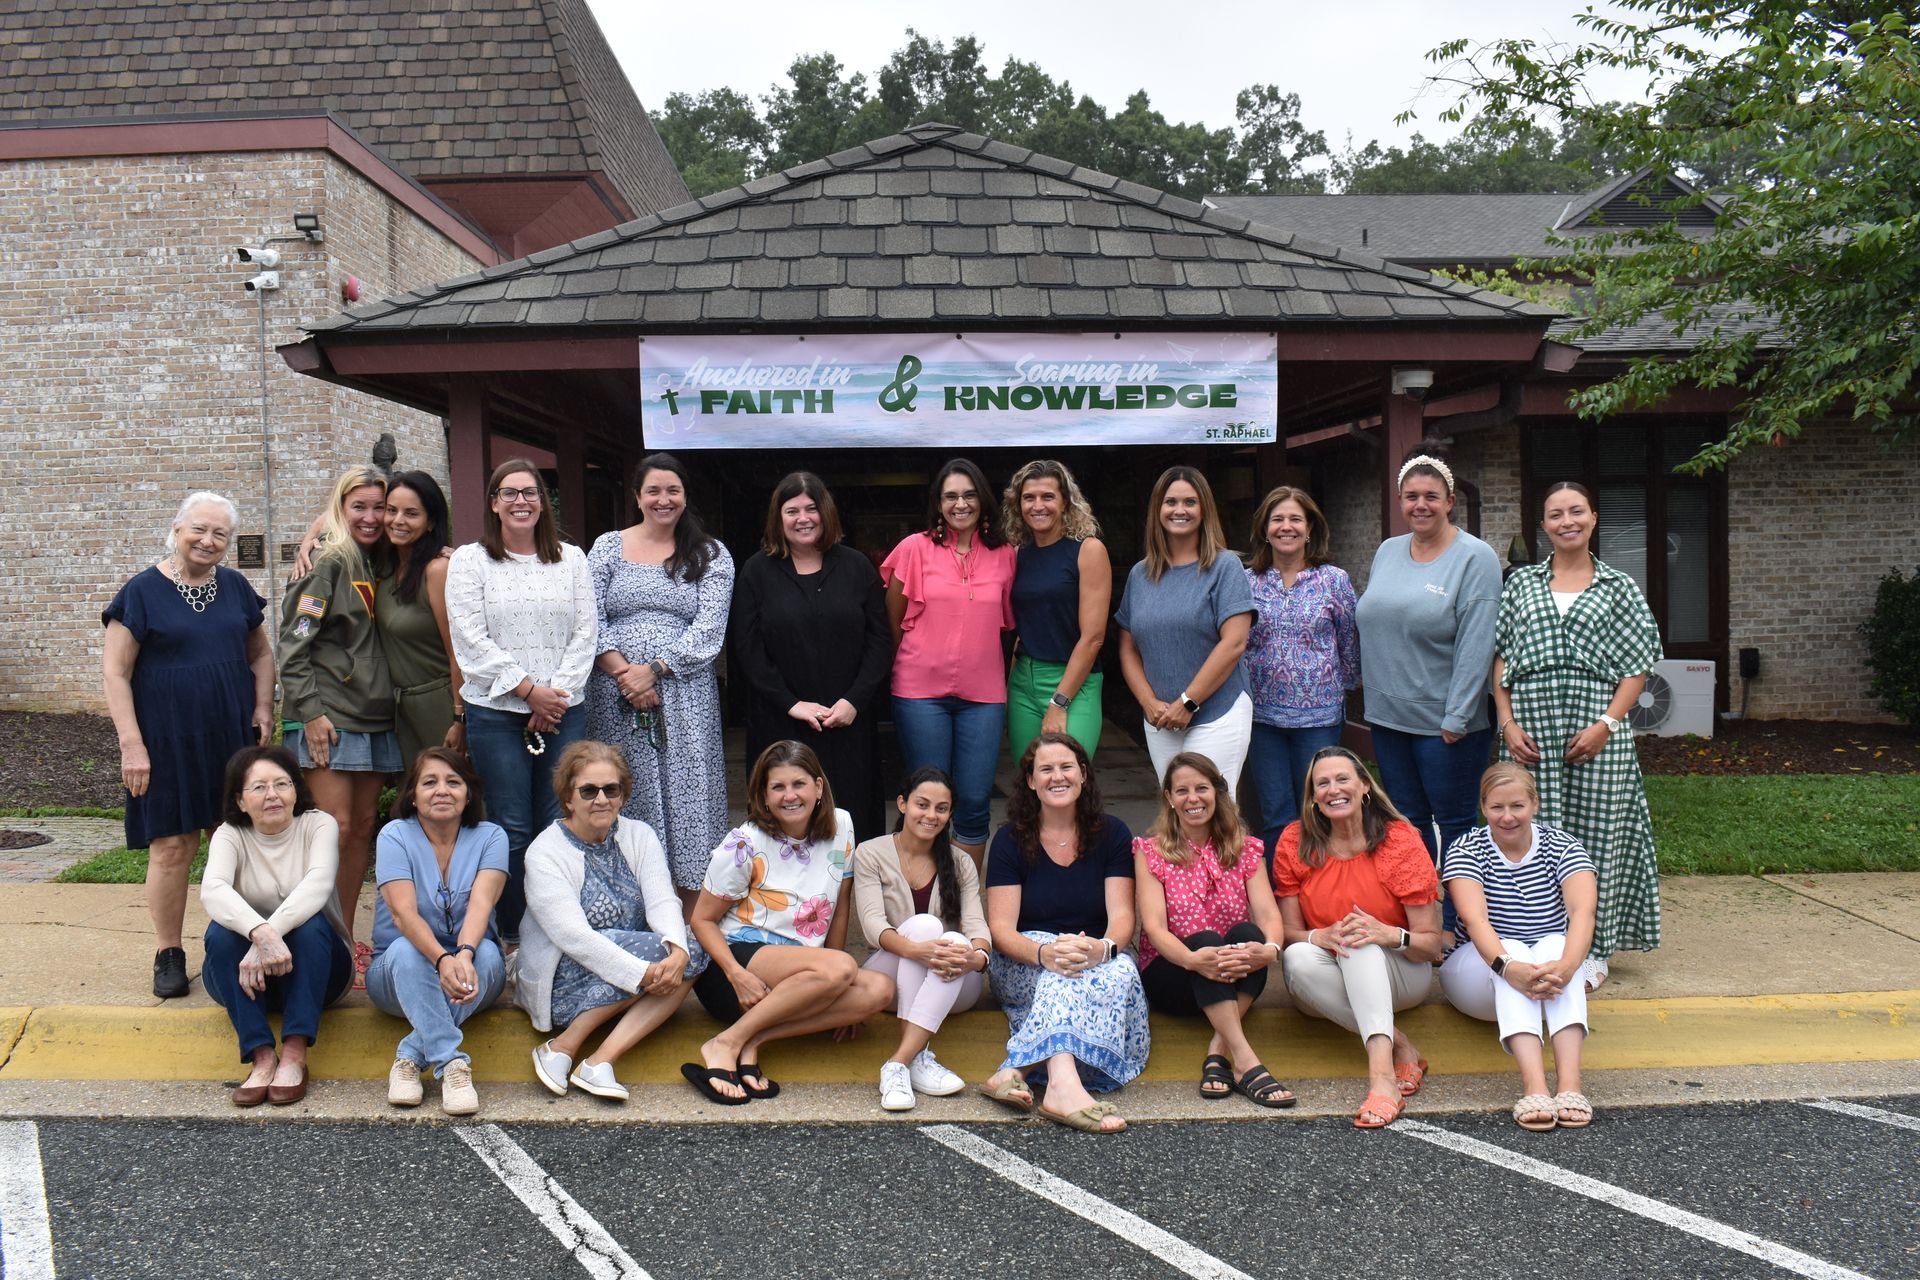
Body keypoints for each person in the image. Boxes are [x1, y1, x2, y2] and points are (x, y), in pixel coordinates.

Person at [1493, 480, 1663, 992]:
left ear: (1593, 518)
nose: (1566, 521)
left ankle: (1593, 949)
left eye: (1576, 512)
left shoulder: (1619, 587)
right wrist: (1506, 722)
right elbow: (1500, 657)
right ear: (1543, 525)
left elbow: (1637, 667)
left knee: (1599, 835)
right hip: (1529, 727)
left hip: (1596, 726)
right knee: (1530, 832)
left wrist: (1607, 725)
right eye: (1555, 514)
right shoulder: (1521, 584)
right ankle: (1531, 936)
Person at [103, 491, 273, 998]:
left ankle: (238, 940)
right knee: (173, 846)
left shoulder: (238, 588)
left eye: (220, 533)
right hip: (165, 740)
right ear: (177, 530)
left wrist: (263, 707)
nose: (208, 540)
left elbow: (261, 655)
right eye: (199, 529)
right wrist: (131, 745)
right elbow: (115, 672)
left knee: (236, 841)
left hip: (229, 739)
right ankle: (168, 951)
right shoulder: (141, 592)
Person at [683, 741, 892, 1104]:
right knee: (840, 967)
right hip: (735, 971)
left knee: (880, 991)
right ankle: (723, 1043)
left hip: (801, 977)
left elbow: (840, 905)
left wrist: (835, 980)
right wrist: (736, 974)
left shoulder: (842, 824)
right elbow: (700, 920)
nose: (789, 796)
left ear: (818, 788)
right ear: (763, 797)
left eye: (798, 784)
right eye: (777, 787)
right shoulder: (743, 843)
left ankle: (754, 1037)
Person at [446, 459, 597, 940]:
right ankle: (513, 933)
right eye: (509, 493)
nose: (520, 501)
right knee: (510, 825)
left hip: (563, 711)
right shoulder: (470, 561)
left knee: (560, 819)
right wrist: (530, 691)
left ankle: (559, 930)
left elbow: (585, 633)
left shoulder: (571, 559)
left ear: (542, 502)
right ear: (493, 503)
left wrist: (554, 698)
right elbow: (469, 639)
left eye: (529, 492)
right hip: (495, 712)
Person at [520, 742, 709, 1101]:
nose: (601, 799)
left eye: (612, 789)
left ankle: (600, 1061)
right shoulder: (545, 852)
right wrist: (643, 971)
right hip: (563, 976)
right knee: (670, 958)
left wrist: (677, 951)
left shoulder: (640, 834)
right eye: (588, 790)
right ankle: (562, 1045)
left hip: (630, 968)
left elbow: (662, 900)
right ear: (567, 797)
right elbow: (573, 937)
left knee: (690, 948)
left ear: (623, 794)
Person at [980, 732, 1147, 1134]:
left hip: (1091, 955)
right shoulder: (1009, 840)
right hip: (1025, 961)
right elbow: (1001, 930)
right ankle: (1063, 1092)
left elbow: (1122, 917)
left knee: (1122, 970)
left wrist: (1101, 949)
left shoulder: (1112, 833)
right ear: (1032, 782)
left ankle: (1015, 1073)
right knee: (1061, 973)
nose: (1058, 776)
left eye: (1067, 767)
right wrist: (1045, 954)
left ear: (1084, 775)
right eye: (1046, 769)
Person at [1273, 746, 1446, 1128]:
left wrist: (1387, 934)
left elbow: (1431, 944)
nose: (1333, 789)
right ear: (1314, 797)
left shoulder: (1398, 840)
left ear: (1364, 786)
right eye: (1322, 783)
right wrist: (1319, 935)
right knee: (1297, 957)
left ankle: (1382, 1080)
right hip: (1322, 982)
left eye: (1342, 779)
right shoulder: (1294, 841)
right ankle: (1401, 1045)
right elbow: (1286, 934)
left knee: (1359, 939)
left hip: (1400, 972)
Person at [587, 453, 735, 895]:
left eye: (672, 490)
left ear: (685, 496)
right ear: (637, 497)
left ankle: (692, 920)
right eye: (653, 490)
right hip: (615, 694)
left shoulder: (709, 553)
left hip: (684, 694)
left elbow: (710, 627)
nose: (663, 499)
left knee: (689, 795)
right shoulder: (608, 547)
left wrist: (653, 671)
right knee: (625, 786)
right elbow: (588, 616)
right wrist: (626, 677)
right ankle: (628, 903)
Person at [1354, 446, 1501, 869]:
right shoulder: (1388, 551)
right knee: (1405, 825)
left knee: (1456, 827)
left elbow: (1478, 643)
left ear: (1450, 502)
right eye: (1411, 496)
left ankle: (1460, 924)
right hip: (1388, 720)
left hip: (1445, 726)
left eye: (1431, 496)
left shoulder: (1475, 557)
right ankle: (1421, 924)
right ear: (1401, 501)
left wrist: (1457, 718)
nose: (1421, 505)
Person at [278, 466, 398, 961]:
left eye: (379, 507)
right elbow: (291, 645)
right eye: (359, 507)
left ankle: (346, 941)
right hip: (327, 715)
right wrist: (309, 713)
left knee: (364, 826)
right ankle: (320, 944)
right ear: (341, 508)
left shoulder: (383, 560)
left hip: (376, 716)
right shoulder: (327, 561)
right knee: (335, 828)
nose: (370, 518)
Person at [732, 471, 892, 840]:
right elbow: (747, 648)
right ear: (778, 517)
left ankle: (850, 897)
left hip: (847, 721)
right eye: (792, 510)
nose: (803, 518)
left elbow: (880, 640)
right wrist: (791, 703)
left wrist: (854, 700)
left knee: (852, 821)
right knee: (786, 820)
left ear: (826, 513)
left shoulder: (856, 567)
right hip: (781, 721)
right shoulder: (757, 571)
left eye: (811, 508)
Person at [1439, 764, 1598, 1131]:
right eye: (1497, 807)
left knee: (1560, 945)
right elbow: (1476, 921)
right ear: (1483, 808)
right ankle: (1534, 1086)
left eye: (1517, 806)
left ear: (1535, 804)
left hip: (1547, 972)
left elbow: (1583, 912)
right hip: (1476, 972)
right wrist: (1509, 967)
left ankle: (1570, 1087)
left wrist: (1568, 966)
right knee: (1512, 946)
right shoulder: (1466, 848)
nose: (1507, 817)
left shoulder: (1563, 846)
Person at [1133, 752, 1293, 1108]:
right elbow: (1156, 929)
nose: (1193, 798)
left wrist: (1271, 950)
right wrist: (1193, 960)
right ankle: (1246, 1061)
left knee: (1249, 936)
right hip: (1172, 974)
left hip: (1230, 972)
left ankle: (1218, 1049)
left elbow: (1268, 914)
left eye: (1202, 788)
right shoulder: (1151, 851)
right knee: (1207, 942)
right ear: (1169, 799)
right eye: (1182, 790)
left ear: (1218, 793)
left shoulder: (1245, 848)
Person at [200, 745, 352, 1107]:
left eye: (282, 784)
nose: (272, 795)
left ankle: (296, 1054)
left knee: (312, 925)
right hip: (246, 978)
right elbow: (213, 890)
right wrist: (260, 933)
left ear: (296, 790)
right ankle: (262, 1056)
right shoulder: (229, 834)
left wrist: (269, 934)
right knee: (220, 933)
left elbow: (317, 884)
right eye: (259, 787)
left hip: (320, 971)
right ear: (239, 800)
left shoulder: (318, 825)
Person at [882, 458, 1017, 862]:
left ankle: (963, 906)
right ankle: (922, 900)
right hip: (919, 693)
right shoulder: (913, 549)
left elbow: (1010, 624)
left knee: (974, 801)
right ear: (938, 503)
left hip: (984, 695)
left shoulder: (1006, 554)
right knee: (927, 802)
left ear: (983, 500)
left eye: (969, 494)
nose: (961, 503)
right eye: (951, 495)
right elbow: (891, 618)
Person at [365, 747, 509, 1116]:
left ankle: (409, 1058)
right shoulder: (394, 835)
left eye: (453, 782)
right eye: (429, 782)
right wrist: (441, 959)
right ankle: (452, 1064)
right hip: (396, 977)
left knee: (490, 952)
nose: (442, 790)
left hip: (471, 972)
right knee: (405, 950)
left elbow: (481, 904)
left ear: (469, 793)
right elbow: (402, 914)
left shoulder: (492, 837)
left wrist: (462, 954)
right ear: (412, 793)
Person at [852, 767, 991, 1111]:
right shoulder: (870, 852)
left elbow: (977, 926)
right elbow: (872, 925)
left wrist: (978, 958)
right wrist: (918, 950)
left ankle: (899, 1064)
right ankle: (916, 1061)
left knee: (957, 941)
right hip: (889, 975)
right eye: (922, 805)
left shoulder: (960, 862)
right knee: (927, 926)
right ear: (902, 804)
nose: (931, 815)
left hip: (953, 981)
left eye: (941, 809)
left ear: (949, 814)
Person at [1115, 465, 1256, 797]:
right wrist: (1148, 702)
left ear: (1205, 509)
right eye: (1171, 502)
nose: (1180, 510)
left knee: (1212, 810)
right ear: (1157, 510)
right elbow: (1127, 648)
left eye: (1190, 502)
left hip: (1216, 711)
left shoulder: (1225, 567)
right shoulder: (1140, 574)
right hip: (1161, 718)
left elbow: (1234, 643)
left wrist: (1188, 702)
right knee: (1176, 815)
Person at [1241, 485, 1359, 852]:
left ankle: (1320, 898)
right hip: (1263, 719)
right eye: (1278, 519)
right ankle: (1282, 899)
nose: (1286, 526)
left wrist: (1344, 686)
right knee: (1275, 813)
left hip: (1319, 719)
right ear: (1265, 529)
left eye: (1295, 519)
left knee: (1321, 809)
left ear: (1310, 528)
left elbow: (1350, 643)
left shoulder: (1333, 580)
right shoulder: (1247, 581)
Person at [1003, 459, 1111, 760]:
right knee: (1030, 783)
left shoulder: (1087, 550)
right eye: (1029, 498)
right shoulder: (1017, 553)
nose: (1038, 506)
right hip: (1024, 680)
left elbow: (1093, 638)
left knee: (1067, 776)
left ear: (1065, 502)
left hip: (1074, 683)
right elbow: (1021, 629)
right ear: (1018, 505)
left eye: (1048, 496)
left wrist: (1059, 702)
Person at [376, 470, 465, 767]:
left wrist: (458, 717)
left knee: (451, 794)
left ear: (431, 522)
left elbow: (457, 653)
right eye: (391, 510)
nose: (397, 520)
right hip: (400, 710)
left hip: (438, 704)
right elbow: (341, 514)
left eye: (411, 513)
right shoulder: (385, 566)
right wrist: (310, 539)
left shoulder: (437, 570)